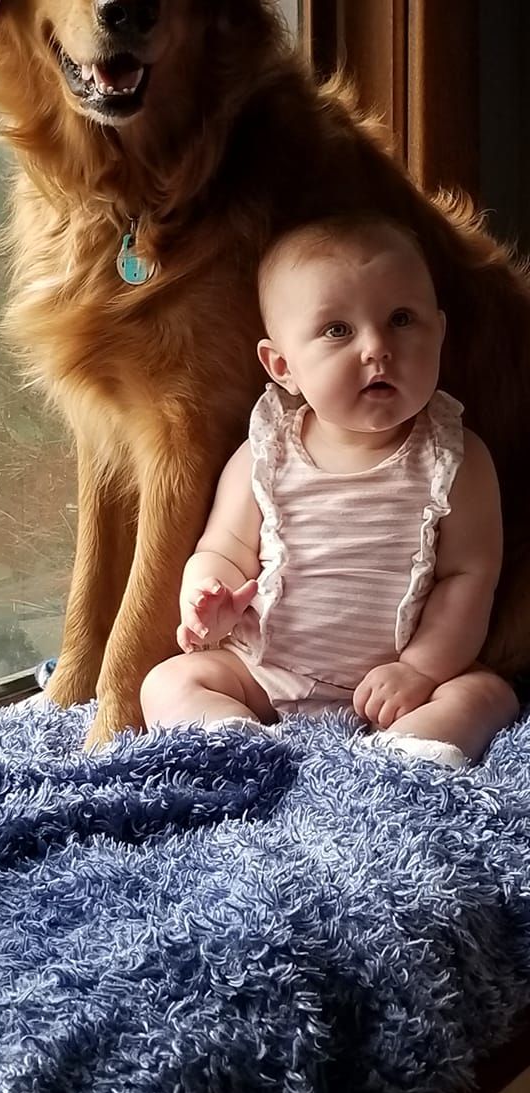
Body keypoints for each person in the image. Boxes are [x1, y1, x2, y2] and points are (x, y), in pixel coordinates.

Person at [140, 215, 518, 768]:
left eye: (401, 319)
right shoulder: (265, 453)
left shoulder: (456, 458)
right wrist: (208, 599)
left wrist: (420, 670)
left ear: (438, 331)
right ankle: (243, 751)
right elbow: (221, 548)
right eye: (338, 330)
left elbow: (469, 578)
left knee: (487, 693)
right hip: (264, 672)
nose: (377, 348)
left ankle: (405, 762)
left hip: (395, 686)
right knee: (169, 681)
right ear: (283, 366)